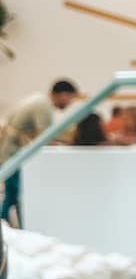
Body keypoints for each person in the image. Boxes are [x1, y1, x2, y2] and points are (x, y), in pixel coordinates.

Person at [0, 78, 78, 226]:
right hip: (12, 153)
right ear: (63, 95)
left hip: (9, 151)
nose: (70, 103)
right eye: (70, 98)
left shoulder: (38, 100)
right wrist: (71, 143)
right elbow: (45, 138)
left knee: (13, 195)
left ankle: (19, 228)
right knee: (14, 195)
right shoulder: (43, 106)